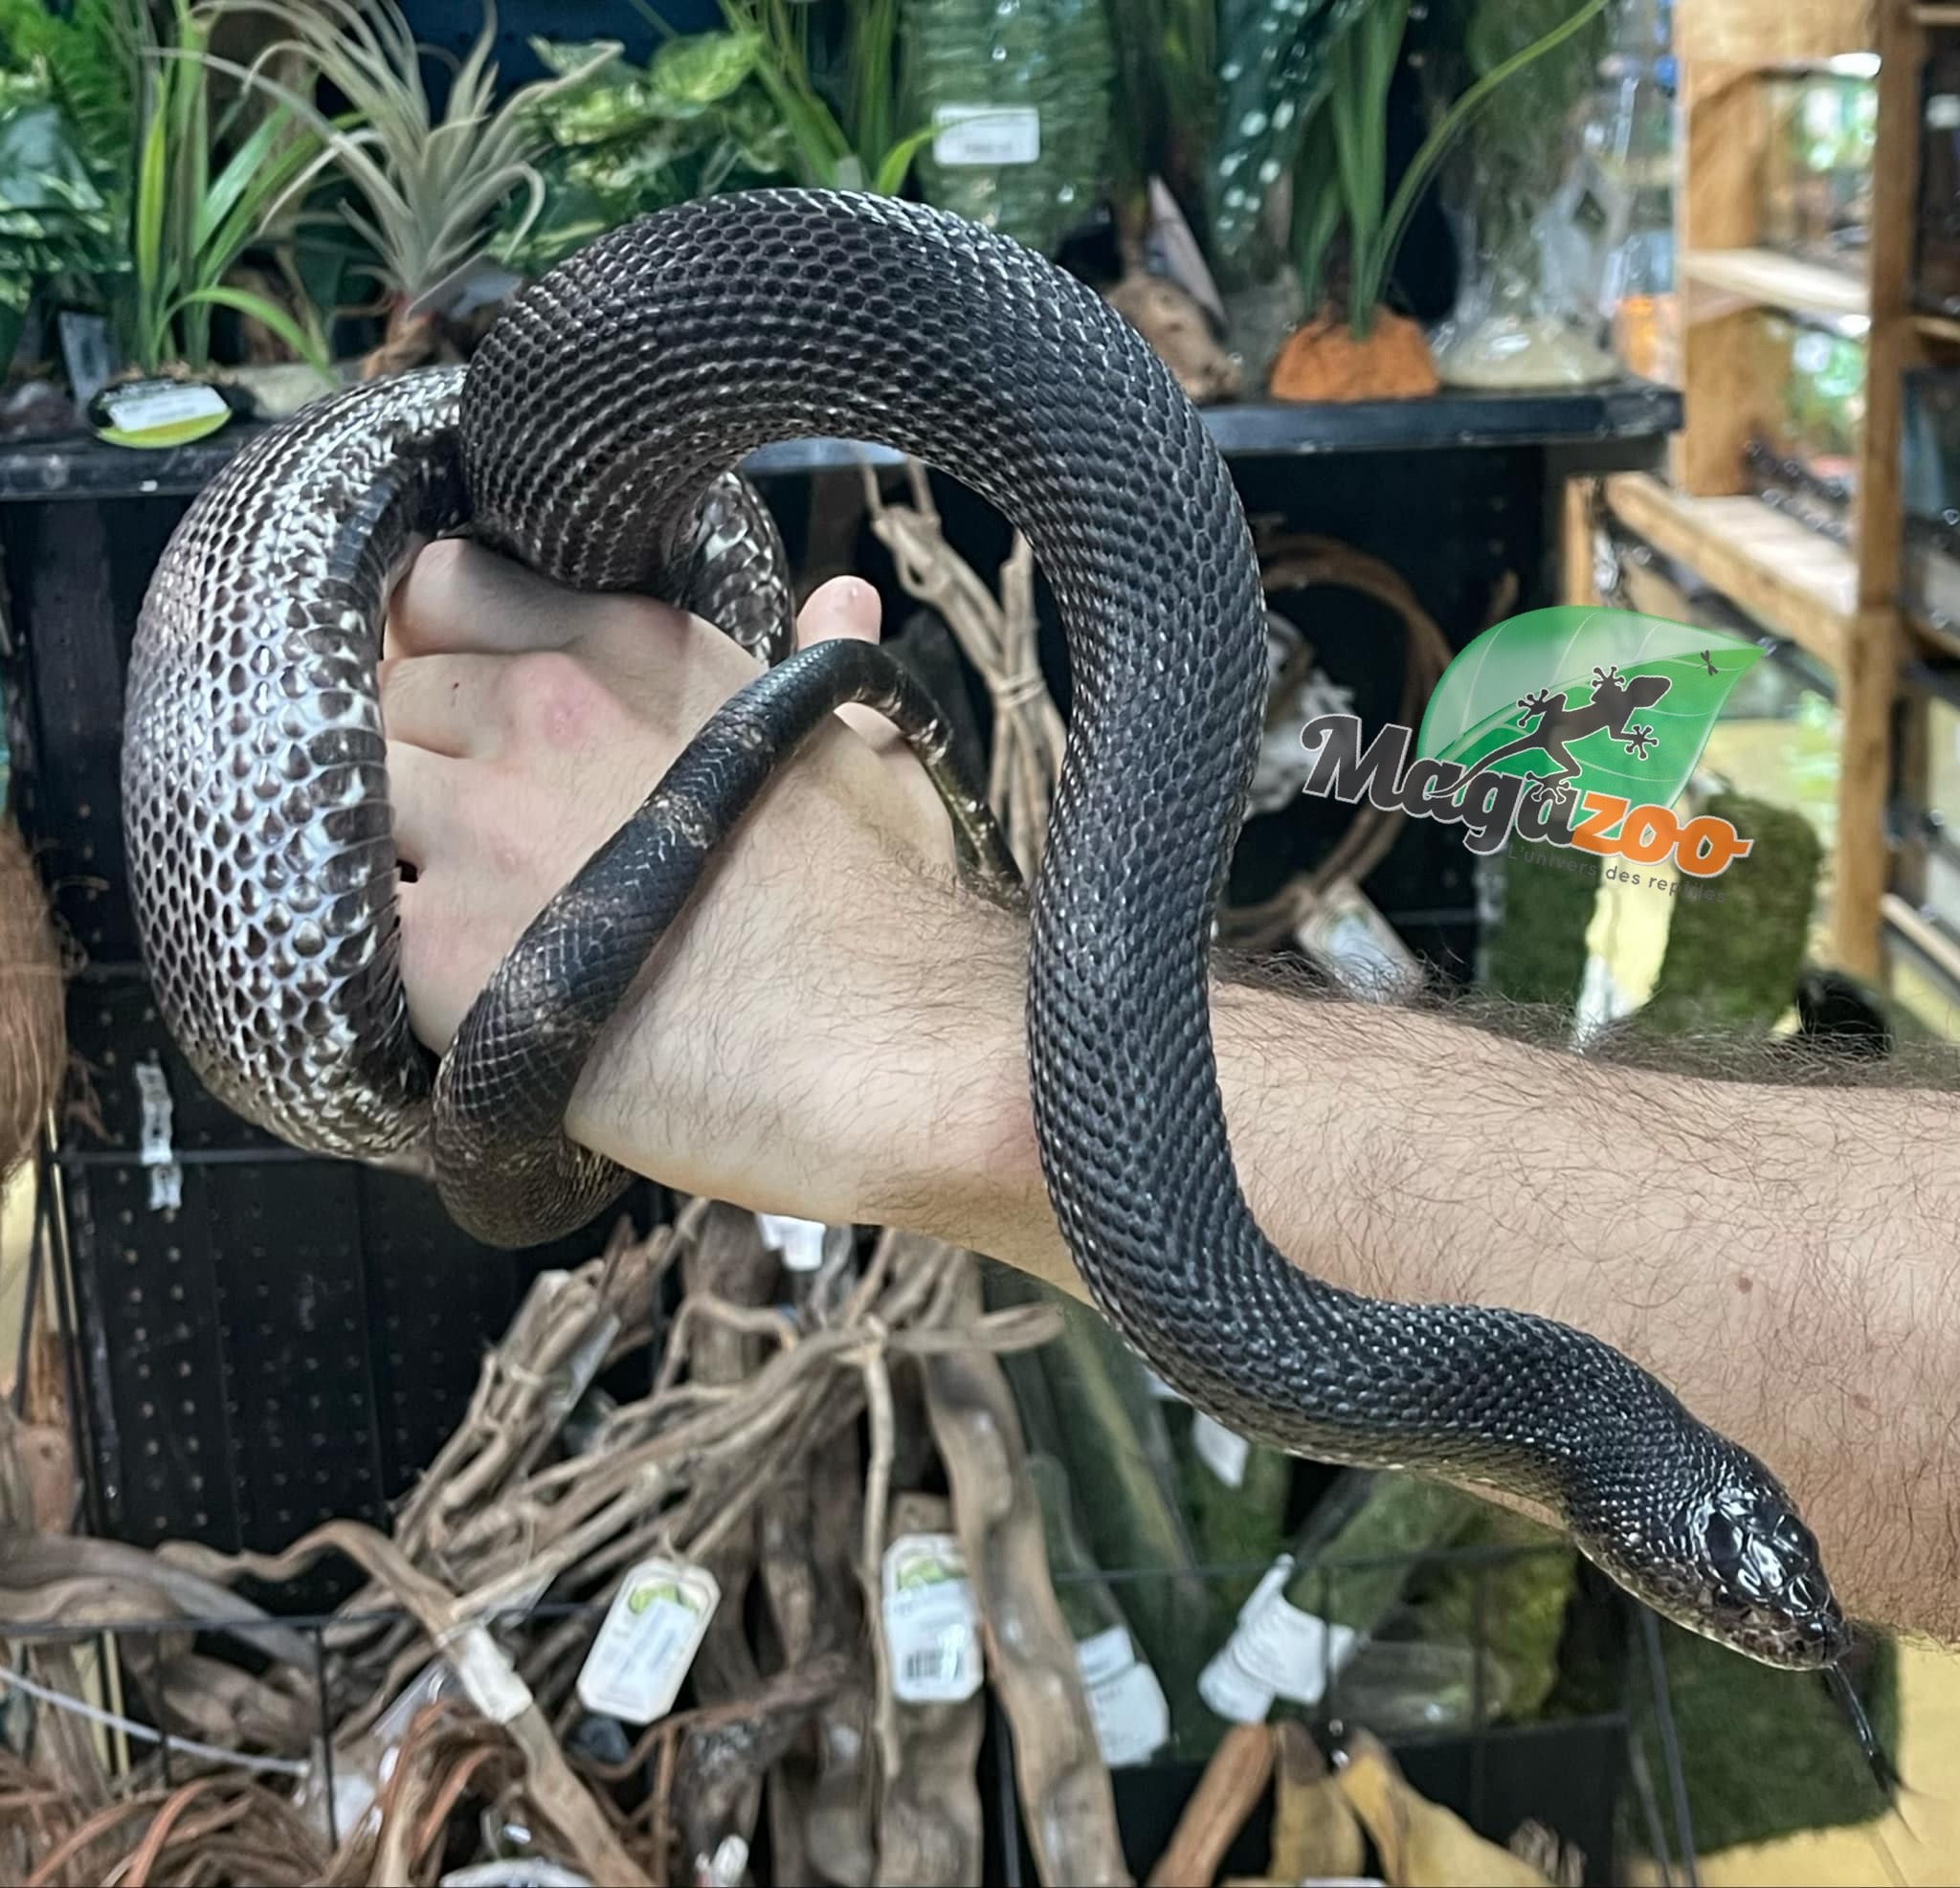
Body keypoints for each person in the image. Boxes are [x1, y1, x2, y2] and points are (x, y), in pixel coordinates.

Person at [382, 537, 1960, 1648]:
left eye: (1736, 1597)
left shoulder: (1447, 1384)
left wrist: (955, 1040)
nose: (1764, 1616)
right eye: (1741, 1590)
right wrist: (941, 1027)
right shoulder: (1463, 1385)